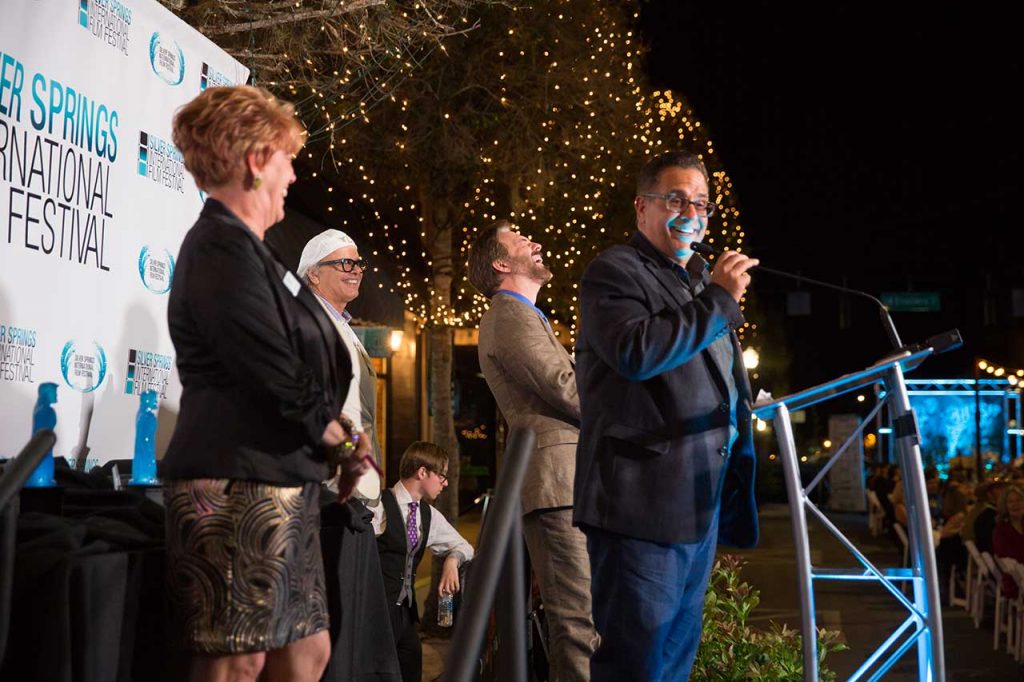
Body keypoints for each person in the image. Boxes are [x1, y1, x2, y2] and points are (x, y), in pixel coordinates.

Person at [161, 85, 369, 682]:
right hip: (233, 481)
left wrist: (343, 438)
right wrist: (336, 440)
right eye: (286, 158)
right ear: (256, 161)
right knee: (239, 658)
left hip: (284, 478)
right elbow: (272, 369)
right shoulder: (219, 248)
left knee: (307, 654)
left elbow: (307, 367)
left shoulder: (259, 255)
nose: (293, 172)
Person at [573, 150, 760, 681]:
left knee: (673, 664)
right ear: (641, 208)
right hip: (640, 505)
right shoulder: (613, 271)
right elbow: (637, 352)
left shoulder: (697, 284)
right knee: (634, 665)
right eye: (675, 199)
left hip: (695, 503)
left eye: (701, 203)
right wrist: (721, 301)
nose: (691, 212)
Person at [468, 220, 598, 680]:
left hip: (569, 482)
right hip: (554, 487)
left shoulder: (528, 315)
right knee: (576, 622)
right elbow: (564, 387)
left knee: (585, 619)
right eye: (522, 241)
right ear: (501, 264)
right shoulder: (508, 314)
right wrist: (632, 412)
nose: (536, 242)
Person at [372, 441, 475, 682]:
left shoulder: (428, 514)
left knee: (411, 665)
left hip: (406, 614)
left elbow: (464, 546)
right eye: (442, 476)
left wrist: (452, 560)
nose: (445, 483)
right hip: (376, 611)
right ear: (422, 472)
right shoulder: (379, 507)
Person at [298, 229, 383, 499]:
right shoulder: (307, 324)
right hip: (331, 487)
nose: (356, 271)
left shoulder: (340, 323)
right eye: (345, 263)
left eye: (359, 264)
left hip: (356, 485)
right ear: (313, 273)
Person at [992, 485, 1024, 598]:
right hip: (1016, 580)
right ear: (1005, 506)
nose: (1016, 505)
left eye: (1019, 500)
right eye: (1011, 502)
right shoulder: (1001, 529)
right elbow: (1007, 558)